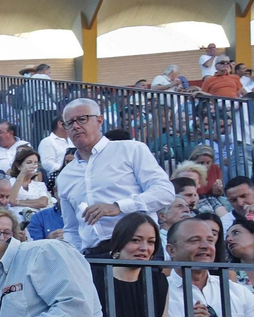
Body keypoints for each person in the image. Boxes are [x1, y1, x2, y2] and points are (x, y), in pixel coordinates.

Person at [56, 98, 176, 256]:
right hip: (95, 256)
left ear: (99, 120)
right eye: (69, 123)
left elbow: (164, 192)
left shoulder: (131, 150)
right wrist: (77, 258)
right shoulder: (65, 175)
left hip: (140, 250)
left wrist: (119, 206)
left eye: (82, 119)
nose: (76, 126)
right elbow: (71, 228)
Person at [94, 211, 171, 317]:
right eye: (135, 240)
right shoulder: (94, 278)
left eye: (151, 242)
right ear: (120, 242)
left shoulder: (159, 282)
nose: (144, 248)